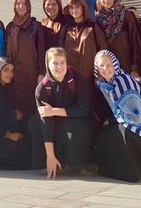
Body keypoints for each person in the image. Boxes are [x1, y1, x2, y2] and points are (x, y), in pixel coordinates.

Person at [93, 50, 141, 183]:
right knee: (104, 136)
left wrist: (110, 121)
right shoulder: (104, 84)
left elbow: (135, 116)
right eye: (101, 66)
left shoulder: (124, 81)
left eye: (109, 65)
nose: (105, 69)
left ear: (115, 65)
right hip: (123, 120)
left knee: (125, 132)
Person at [27, 47, 94, 177]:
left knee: (73, 127)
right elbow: (45, 121)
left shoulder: (79, 79)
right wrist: (50, 156)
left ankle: (80, 163)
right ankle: (49, 162)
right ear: (48, 65)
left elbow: (83, 110)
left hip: (76, 119)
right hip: (54, 121)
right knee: (34, 124)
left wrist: (54, 111)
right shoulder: (41, 88)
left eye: (62, 62)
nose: (59, 67)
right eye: (55, 63)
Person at [5, 0, 46, 121]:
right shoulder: (10, 27)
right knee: (16, 106)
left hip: (31, 73)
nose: (20, 6)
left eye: (24, 3)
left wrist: (41, 72)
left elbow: (41, 50)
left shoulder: (35, 26)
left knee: (32, 106)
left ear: (28, 6)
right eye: (18, 3)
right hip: (14, 75)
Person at [95, 0, 141, 77]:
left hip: (128, 67)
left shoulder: (126, 15)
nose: (106, 0)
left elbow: (135, 41)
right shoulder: (98, 19)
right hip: (109, 70)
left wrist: (135, 68)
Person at [60, 0, 107, 80]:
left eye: (77, 6)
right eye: (71, 7)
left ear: (83, 7)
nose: (74, 10)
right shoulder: (65, 29)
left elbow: (103, 49)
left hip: (91, 77)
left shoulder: (93, 26)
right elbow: (60, 52)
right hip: (71, 78)